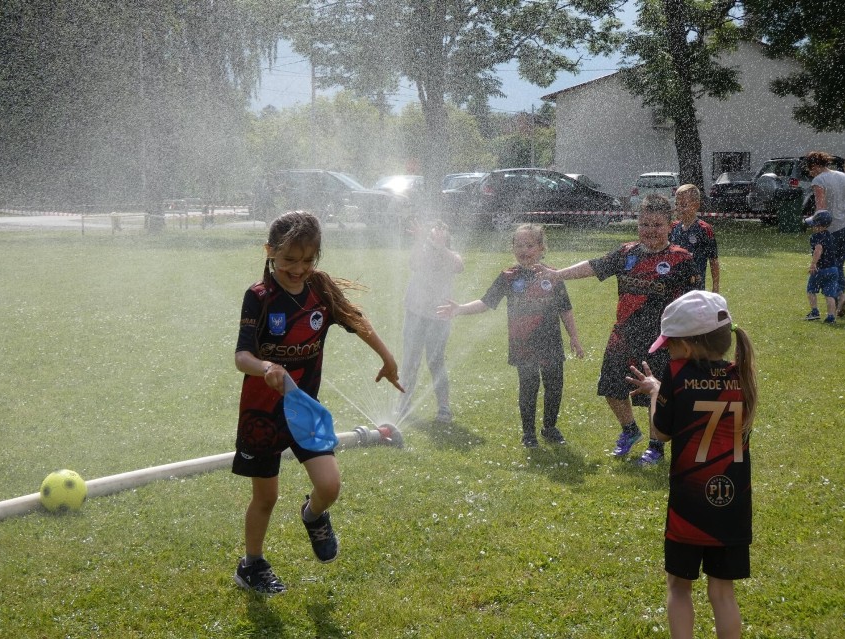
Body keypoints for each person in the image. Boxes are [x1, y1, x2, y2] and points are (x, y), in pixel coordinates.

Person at [232, 211, 404, 595]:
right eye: (289, 259)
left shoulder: (320, 288)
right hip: (261, 413)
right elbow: (241, 356)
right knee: (266, 497)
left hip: (304, 411)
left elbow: (355, 319)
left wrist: (387, 358)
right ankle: (252, 564)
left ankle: (313, 516)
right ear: (270, 252)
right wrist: (266, 367)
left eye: (308, 260)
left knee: (330, 486)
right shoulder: (258, 296)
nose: (298, 269)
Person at [626, 290, 757, 639]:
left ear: (687, 345)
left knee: (679, 587)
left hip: (690, 506)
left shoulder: (677, 373)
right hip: (734, 501)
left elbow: (661, 432)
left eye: (670, 345)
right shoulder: (741, 372)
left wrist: (655, 391)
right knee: (722, 594)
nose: (668, 351)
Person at [536, 194, 698, 465]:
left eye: (657, 225)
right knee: (611, 388)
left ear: (670, 226)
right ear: (638, 224)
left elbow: (696, 303)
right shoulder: (626, 253)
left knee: (656, 393)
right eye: (645, 224)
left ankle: (656, 447)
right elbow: (594, 266)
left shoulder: (681, 260)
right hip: (623, 335)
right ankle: (630, 431)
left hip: (661, 341)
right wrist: (558, 274)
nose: (650, 231)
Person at [437, 224, 584, 448]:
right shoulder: (508, 277)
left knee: (554, 386)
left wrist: (574, 337)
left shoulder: (552, 275)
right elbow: (486, 302)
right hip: (523, 343)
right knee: (529, 385)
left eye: (529, 245)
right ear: (512, 248)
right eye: (519, 245)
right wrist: (459, 309)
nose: (524, 250)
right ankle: (529, 433)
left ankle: (550, 427)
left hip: (551, 342)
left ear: (541, 248)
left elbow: (565, 308)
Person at [397, 219, 464, 423]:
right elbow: (413, 263)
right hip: (415, 313)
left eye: (440, 234)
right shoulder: (422, 252)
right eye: (432, 234)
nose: (434, 238)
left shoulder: (451, 255)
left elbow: (459, 266)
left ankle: (444, 408)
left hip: (439, 316)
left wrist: (441, 246)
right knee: (410, 361)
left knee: (435, 361)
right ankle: (403, 405)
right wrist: (420, 241)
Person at [807, 151, 845, 317]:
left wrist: (817, 226)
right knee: (839, 264)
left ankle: (840, 296)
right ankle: (840, 299)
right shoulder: (843, 176)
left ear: (815, 166)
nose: (810, 172)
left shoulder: (819, 180)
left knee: (832, 265)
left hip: (831, 229)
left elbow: (821, 207)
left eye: (810, 168)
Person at [670, 184, 720, 292]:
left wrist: (715, 287)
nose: (679, 208)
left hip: (695, 288)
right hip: (673, 287)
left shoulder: (704, 229)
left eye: (683, 205)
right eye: (676, 204)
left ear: (696, 205)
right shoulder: (673, 227)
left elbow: (713, 260)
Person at [802, 210, 839, 323]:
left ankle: (814, 312)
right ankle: (831, 317)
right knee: (830, 294)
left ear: (818, 225)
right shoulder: (830, 235)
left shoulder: (816, 237)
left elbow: (818, 249)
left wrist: (813, 264)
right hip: (833, 269)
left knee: (811, 290)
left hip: (820, 269)